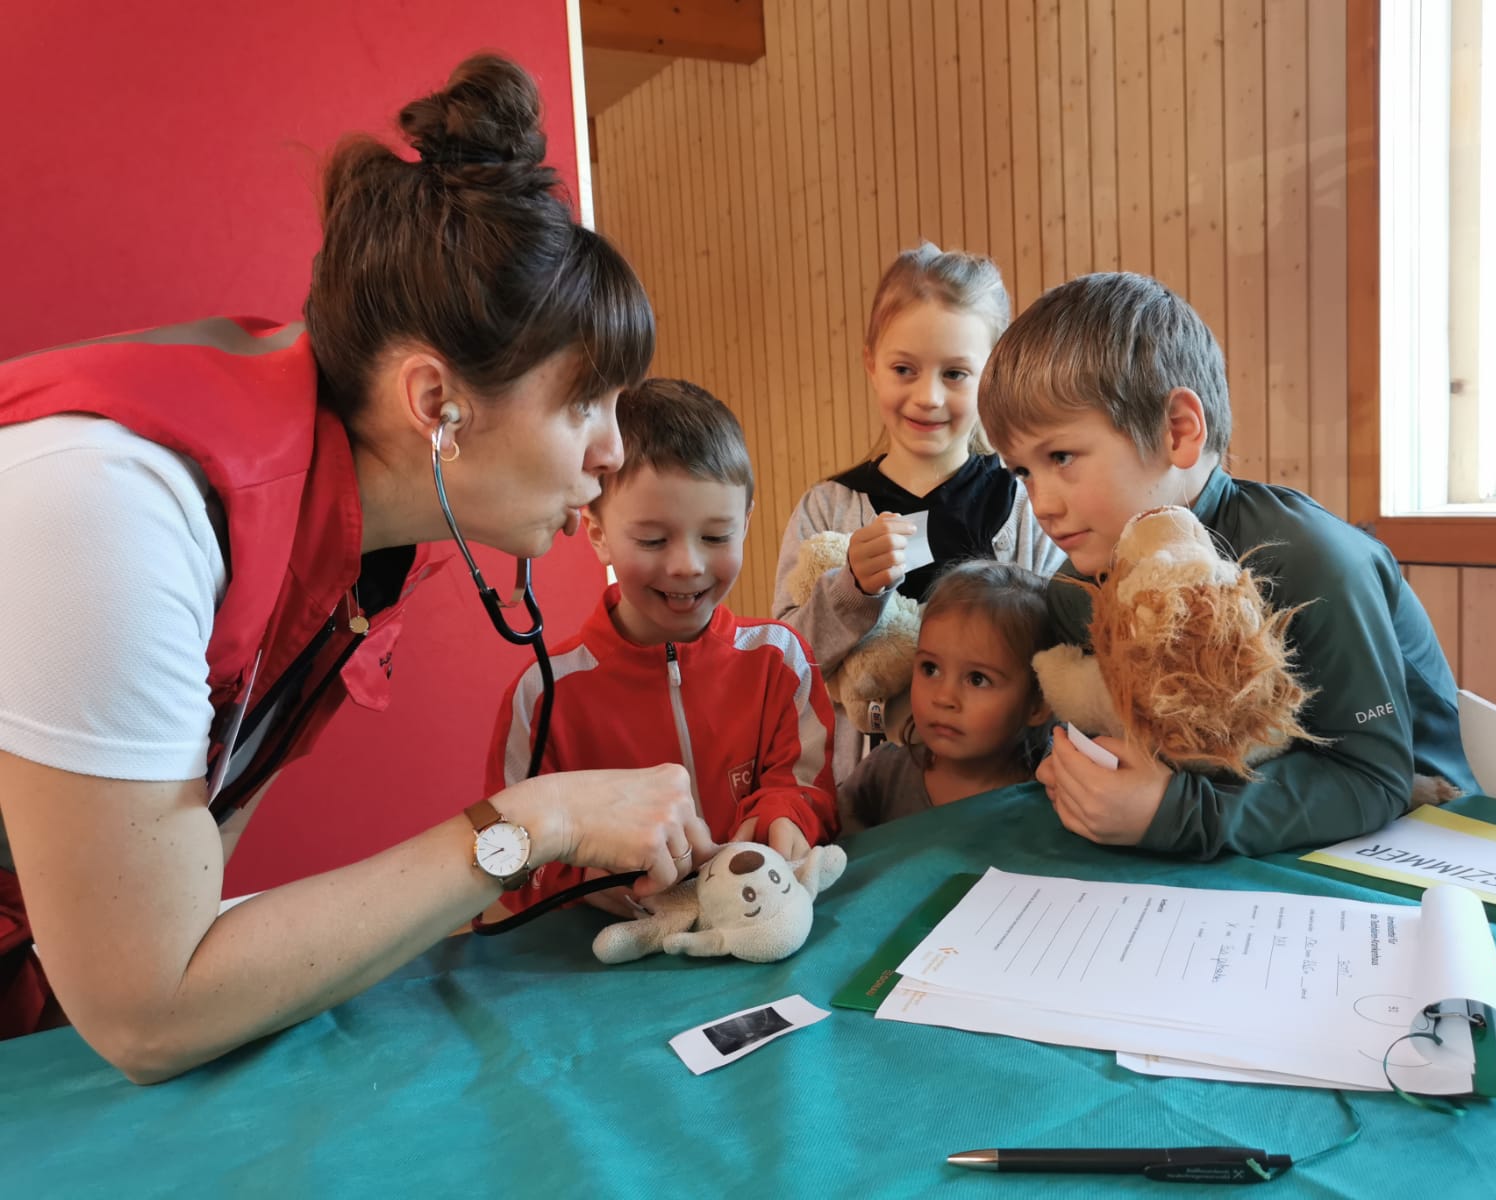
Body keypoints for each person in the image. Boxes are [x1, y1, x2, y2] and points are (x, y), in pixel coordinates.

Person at [0, 55, 715, 1080]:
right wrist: (534, 821)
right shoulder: (117, 515)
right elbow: (148, 1011)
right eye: (583, 404)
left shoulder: (346, 560)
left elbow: (181, 925)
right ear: (436, 404)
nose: (613, 452)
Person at [978, 272, 1477, 858]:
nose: (1043, 505)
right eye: (1023, 472)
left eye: (1062, 457)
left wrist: (1174, 812)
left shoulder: (1317, 563)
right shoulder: (1078, 588)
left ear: (1178, 431)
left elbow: (1377, 776)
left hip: (1420, 842)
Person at [489, 379, 837, 918]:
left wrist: (784, 820)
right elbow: (509, 864)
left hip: (756, 925)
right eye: (653, 540)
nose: (687, 566)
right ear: (598, 533)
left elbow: (805, 785)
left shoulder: (779, 660)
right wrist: (583, 878)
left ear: (745, 523)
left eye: (717, 537)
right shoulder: (543, 695)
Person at [772, 243, 1065, 778]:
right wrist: (849, 593)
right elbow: (782, 668)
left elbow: (1060, 656)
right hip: (855, 802)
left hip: (1001, 793)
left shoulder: (1027, 504)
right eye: (905, 369)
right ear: (871, 363)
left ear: (991, 374)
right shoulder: (828, 508)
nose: (928, 396)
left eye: (955, 374)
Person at [839, 561, 1053, 834]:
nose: (943, 697)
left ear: (1038, 703)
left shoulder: (1058, 790)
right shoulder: (882, 775)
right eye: (931, 669)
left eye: (977, 679)